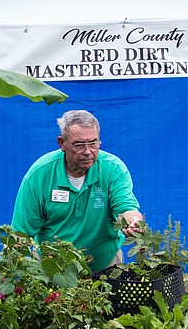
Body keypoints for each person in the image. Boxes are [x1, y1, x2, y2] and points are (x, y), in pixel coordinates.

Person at [11, 109, 144, 273]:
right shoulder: (39, 175)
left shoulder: (113, 169)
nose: (88, 151)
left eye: (93, 143)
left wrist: (134, 222)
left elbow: (125, 207)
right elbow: (20, 234)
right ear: (62, 143)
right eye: (79, 145)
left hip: (105, 265)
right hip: (53, 269)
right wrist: (7, 270)